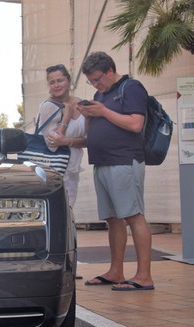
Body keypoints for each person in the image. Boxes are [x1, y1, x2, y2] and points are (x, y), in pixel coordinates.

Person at [78, 51, 154, 291]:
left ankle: (144, 276)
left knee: (133, 216)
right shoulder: (100, 94)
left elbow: (135, 124)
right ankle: (116, 271)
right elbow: (93, 130)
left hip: (124, 161)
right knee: (113, 219)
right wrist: (88, 115)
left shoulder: (131, 88)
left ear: (110, 70)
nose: (95, 84)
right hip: (102, 162)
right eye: (91, 81)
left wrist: (103, 112)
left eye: (98, 79)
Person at [38, 64, 86, 207]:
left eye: (60, 80)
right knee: (58, 211)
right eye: (52, 82)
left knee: (69, 210)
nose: (56, 85)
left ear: (69, 81)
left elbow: (89, 140)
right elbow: (52, 143)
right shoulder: (48, 106)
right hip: (53, 169)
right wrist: (67, 116)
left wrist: (66, 141)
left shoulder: (80, 103)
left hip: (72, 167)